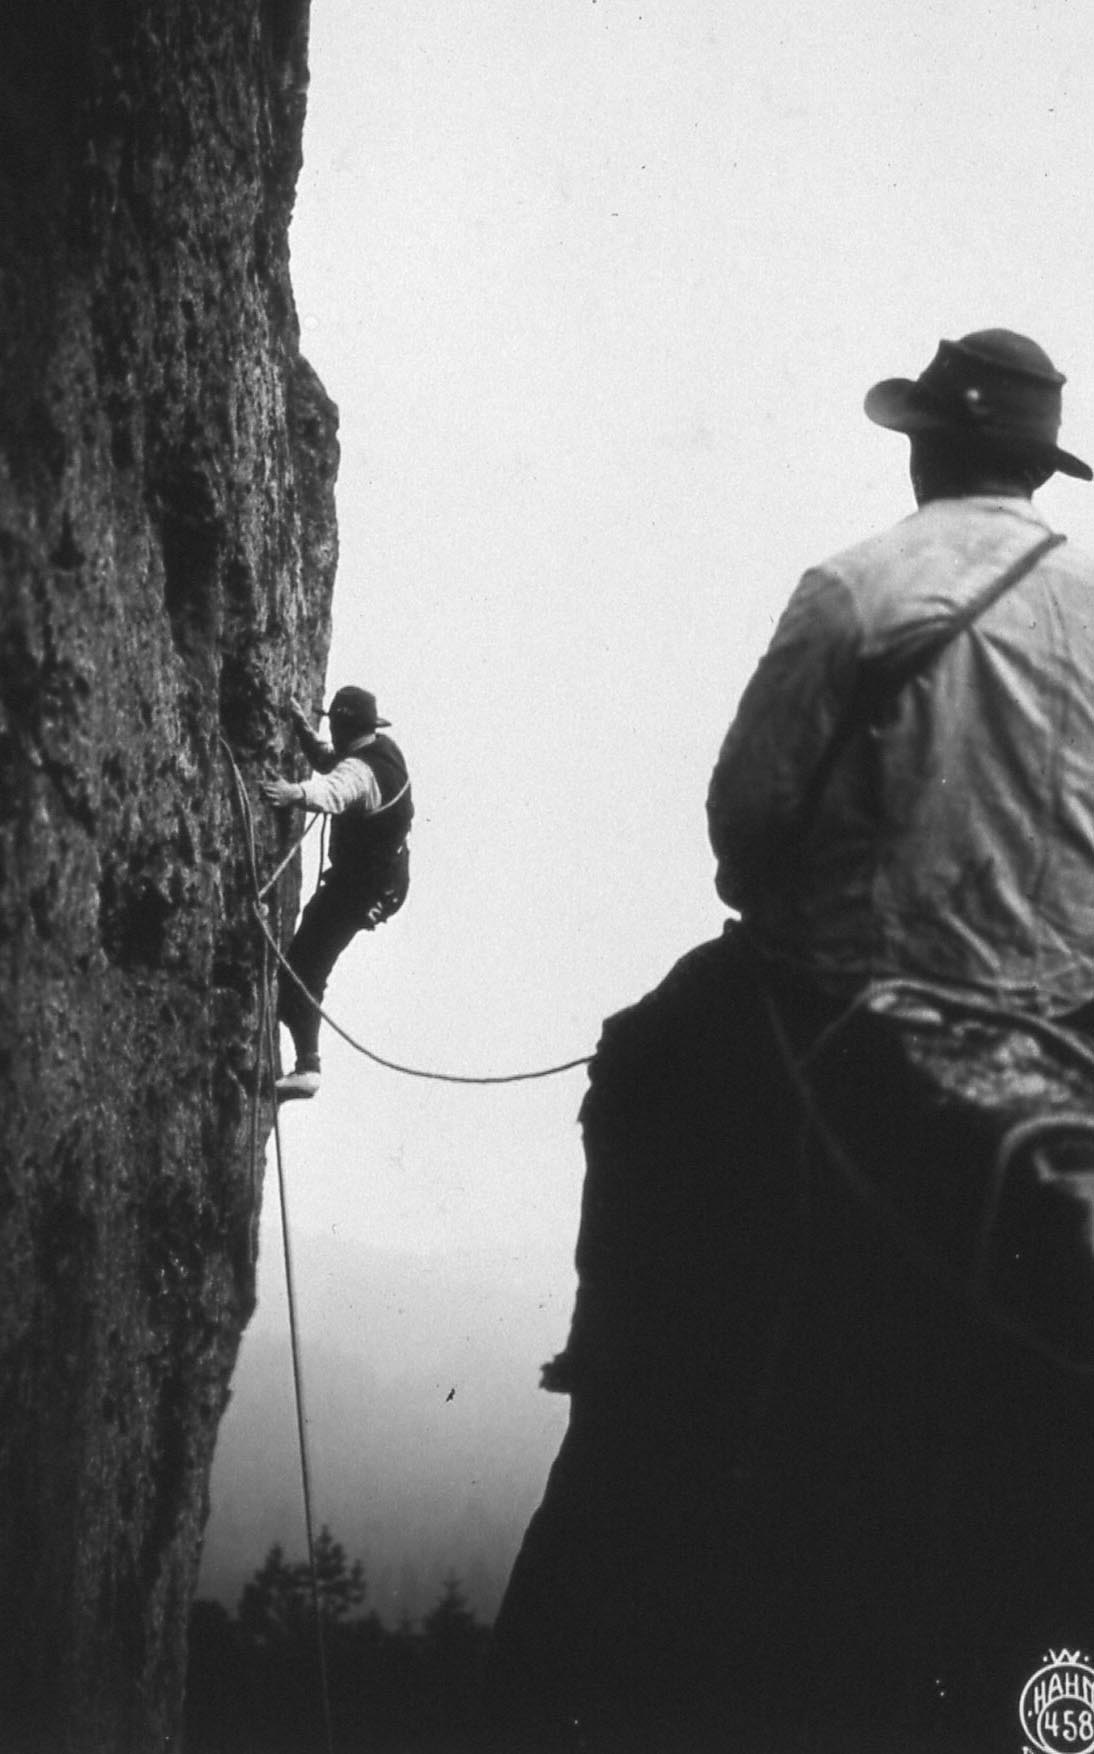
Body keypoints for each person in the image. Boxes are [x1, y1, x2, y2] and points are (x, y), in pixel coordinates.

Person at [487, 331, 1094, 1754]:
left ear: (924, 447)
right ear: (1033, 460)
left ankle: (612, 1359)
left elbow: (747, 822)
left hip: (858, 997)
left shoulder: (856, 585)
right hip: (1067, 1017)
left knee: (640, 1057)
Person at [259, 685, 413, 1100]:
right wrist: (303, 730)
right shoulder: (381, 750)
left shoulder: (362, 773)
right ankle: (304, 1060)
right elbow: (336, 764)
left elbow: (337, 788)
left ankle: (308, 1067)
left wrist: (292, 793)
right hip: (382, 882)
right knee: (306, 962)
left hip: (360, 891)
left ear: (343, 727)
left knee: (302, 969)